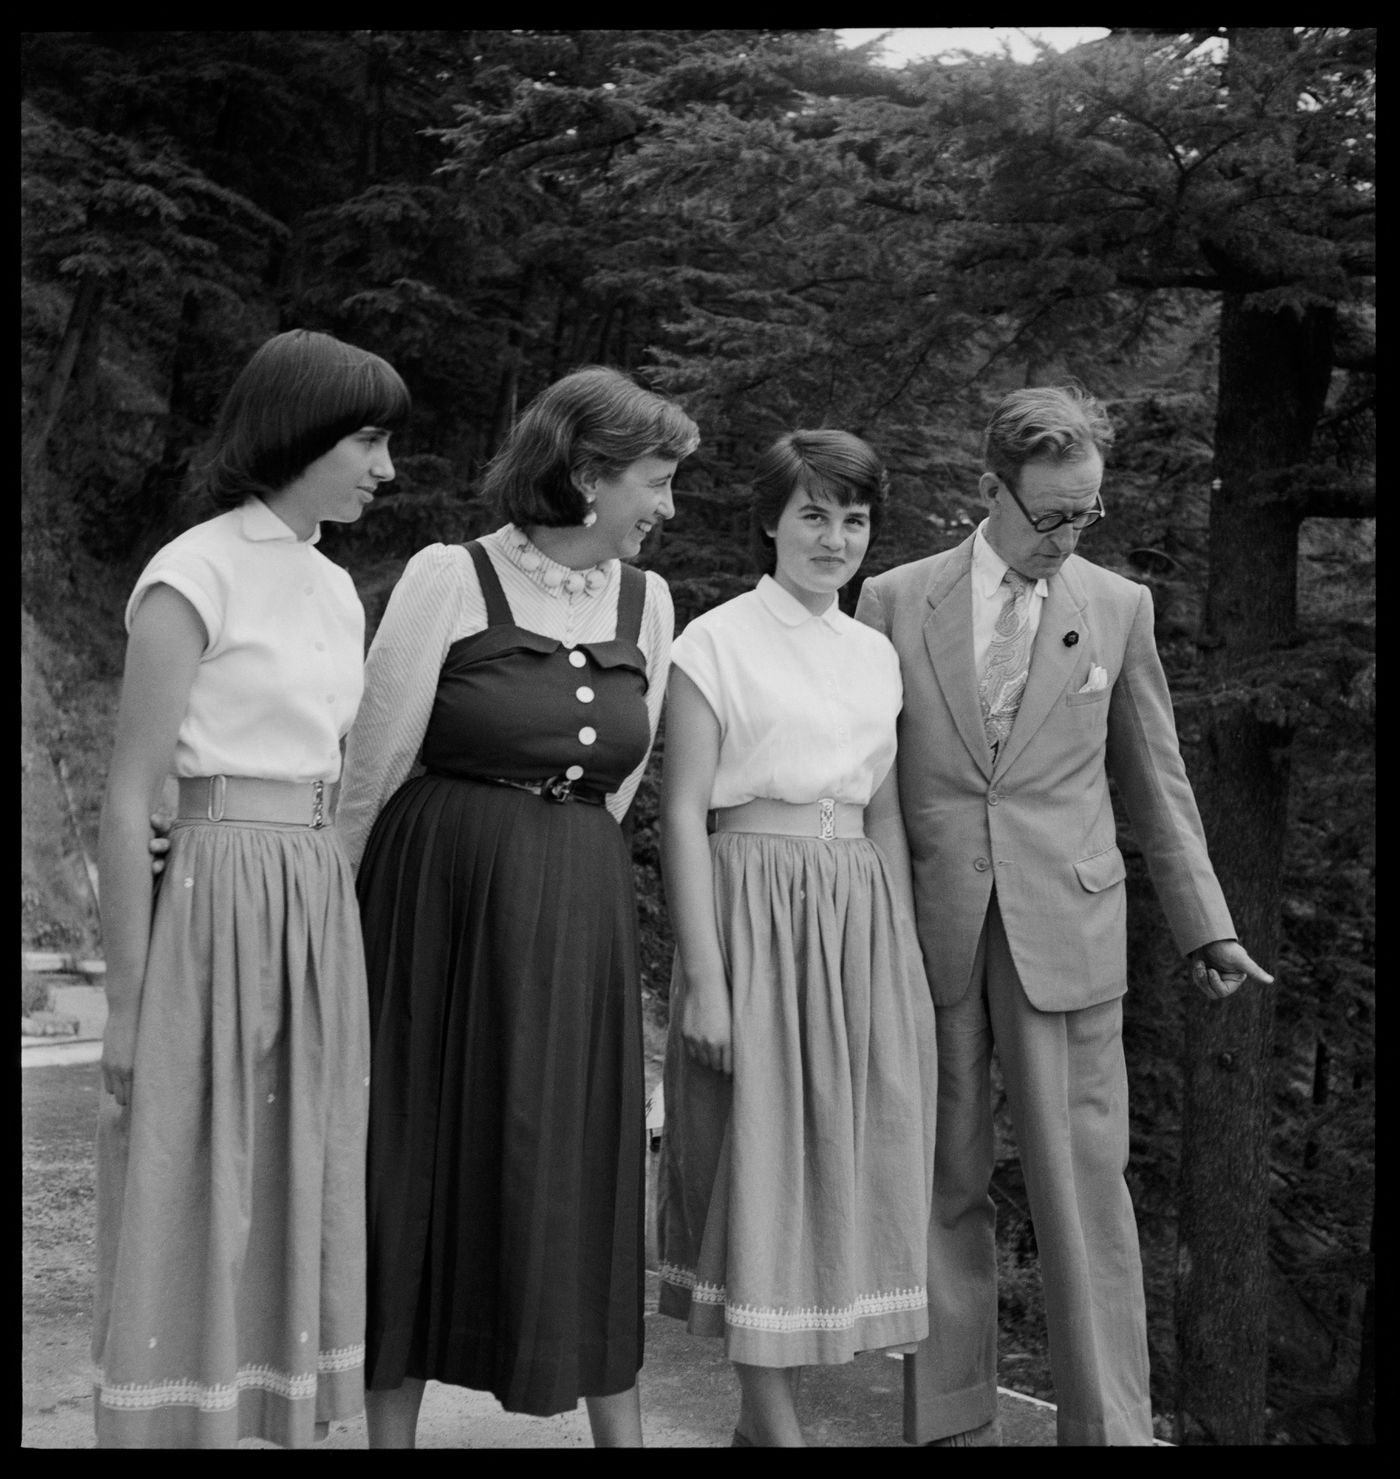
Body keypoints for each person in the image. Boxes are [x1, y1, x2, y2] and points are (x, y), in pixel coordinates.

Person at [855, 383, 1274, 1447]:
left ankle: (1111, 1430)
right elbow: (861, 773)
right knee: (940, 1178)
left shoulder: (1115, 606)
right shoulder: (894, 601)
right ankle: (945, 1420)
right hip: (929, 929)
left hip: (1068, 933)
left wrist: (1205, 924)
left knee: (1085, 1194)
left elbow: (1156, 779)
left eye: (1085, 514)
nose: (1067, 536)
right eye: (1048, 516)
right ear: (989, 492)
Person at [335, 365, 699, 1448]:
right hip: (436, 903)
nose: (667, 507)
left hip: (576, 898)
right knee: (416, 1151)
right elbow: (374, 764)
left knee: (571, 1156)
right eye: (655, 480)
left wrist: (554, 841)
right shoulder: (450, 577)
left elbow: (620, 785)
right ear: (586, 473)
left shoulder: (650, 602)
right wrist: (331, 931)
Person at [91, 328, 408, 1447]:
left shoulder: (332, 586)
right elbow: (130, 795)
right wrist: (127, 1001)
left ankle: (258, 1421)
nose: (385, 467)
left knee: (293, 1168)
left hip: (313, 899)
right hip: (218, 892)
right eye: (367, 440)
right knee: (191, 1167)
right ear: (300, 433)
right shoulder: (194, 570)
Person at [656, 430, 937, 1447]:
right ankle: (769, 1419)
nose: (833, 537)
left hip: (851, 910)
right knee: (756, 1148)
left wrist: (897, 952)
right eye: (812, 514)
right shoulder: (713, 644)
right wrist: (706, 978)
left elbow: (886, 812)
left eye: (853, 518)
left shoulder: (874, 654)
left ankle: (769, 1414)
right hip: (751, 906)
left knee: (837, 1153)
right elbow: (681, 811)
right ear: (768, 521)